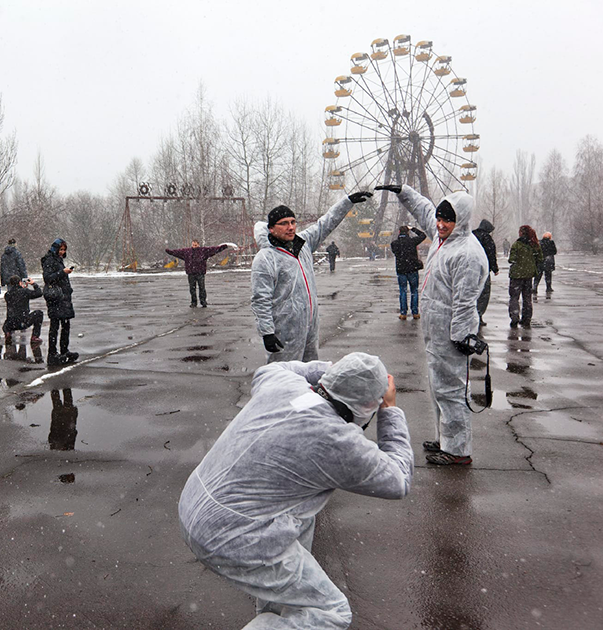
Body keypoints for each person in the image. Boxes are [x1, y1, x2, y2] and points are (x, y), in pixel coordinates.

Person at [178, 354, 412, 630]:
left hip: (195, 503)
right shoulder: (339, 441)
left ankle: (274, 617)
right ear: (367, 406)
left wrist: (333, 370)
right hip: (234, 536)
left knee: (301, 525)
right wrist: (390, 410)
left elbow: (274, 367)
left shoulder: (283, 385)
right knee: (330, 612)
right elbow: (398, 480)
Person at [376, 184, 488, 466]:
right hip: (436, 332)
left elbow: (465, 301)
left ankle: (458, 450)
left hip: (452, 334)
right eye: (439, 219)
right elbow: (424, 208)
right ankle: (446, 439)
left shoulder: (467, 253)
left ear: (460, 220)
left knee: (451, 391)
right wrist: (403, 192)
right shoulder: (444, 239)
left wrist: (462, 335)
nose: (439, 224)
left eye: (447, 220)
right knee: (439, 387)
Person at [251, 191, 372, 362]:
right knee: (285, 378)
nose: (291, 227)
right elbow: (260, 299)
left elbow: (325, 223)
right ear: (271, 229)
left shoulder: (303, 244)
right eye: (284, 223)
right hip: (285, 329)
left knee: (309, 373)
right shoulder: (265, 258)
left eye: (293, 222)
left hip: (310, 326)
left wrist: (347, 202)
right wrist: (267, 333)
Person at [41, 238, 78, 366]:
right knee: (55, 326)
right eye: (61, 249)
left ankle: (64, 351)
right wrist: (62, 272)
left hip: (63, 297)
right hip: (56, 298)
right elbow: (47, 278)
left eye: (64, 250)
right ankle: (52, 353)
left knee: (65, 325)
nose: (62, 252)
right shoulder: (49, 260)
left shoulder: (58, 260)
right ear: (55, 249)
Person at [164, 240, 229, 307]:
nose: (194, 247)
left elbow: (214, 249)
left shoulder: (203, 251)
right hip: (191, 273)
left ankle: (203, 302)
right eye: (193, 245)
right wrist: (170, 252)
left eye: (195, 245)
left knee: (202, 288)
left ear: (198, 245)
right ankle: (193, 302)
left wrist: (222, 247)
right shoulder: (187, 251)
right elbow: (177, 252)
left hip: (200, 273)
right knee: (192, 289)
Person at [507, 225, 544, 328]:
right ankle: (526, 319)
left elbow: (511, 259)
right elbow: (540, 258)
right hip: (529, 275)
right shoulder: (535, 245)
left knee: (514, 297)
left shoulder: (517, 245)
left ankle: (514, 317)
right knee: (527, 298)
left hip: (516, 276)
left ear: (521, 233)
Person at [390, 225, 426, 321]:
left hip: (401, 270)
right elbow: (423, 235)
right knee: (414, 291)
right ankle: (415, 312)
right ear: (408, 232)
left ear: (399, 233)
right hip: (412, 269)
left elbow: (395, 252)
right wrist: (413, 229)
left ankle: (403, 313)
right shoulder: (412, 241)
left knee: (403, 291)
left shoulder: (395, 243)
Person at [472, 219, 500, 326]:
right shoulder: (487, 238)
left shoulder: (472, 236)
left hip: (471, 268)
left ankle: (469, 314)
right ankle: (478, 315)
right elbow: (491, 254)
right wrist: (495, 268)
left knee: (471, 293)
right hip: (483, 269)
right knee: (483, 293)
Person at [2, 275, 44, 345]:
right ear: (20, 282)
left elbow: (16, 296)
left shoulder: (7, 294)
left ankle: (7, 333)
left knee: (5, 326)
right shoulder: (25, 292)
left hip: (11, 323)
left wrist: (23, 290)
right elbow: (39, 293)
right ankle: (35, 337)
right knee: (39, 313)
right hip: (23, 321)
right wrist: (34, 284)